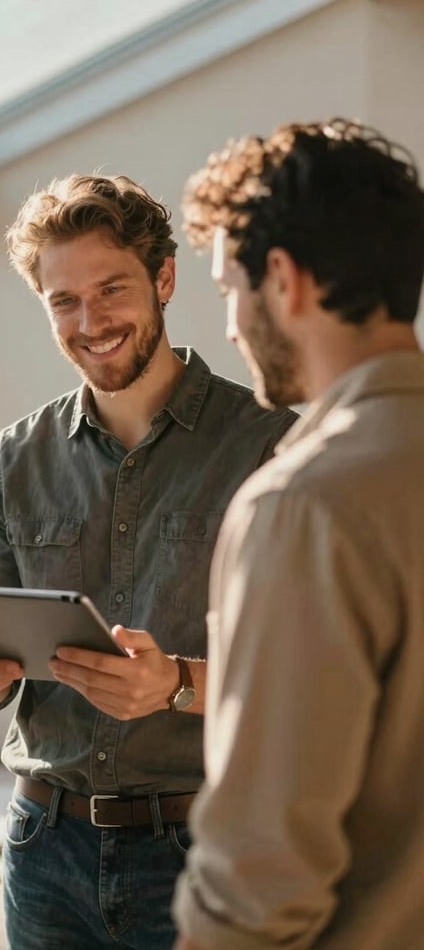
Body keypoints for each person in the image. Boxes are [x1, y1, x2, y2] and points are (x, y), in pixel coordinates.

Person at [0, 174, 297, 949]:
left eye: (111, 288)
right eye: (63, 300)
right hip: (41, 847)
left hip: (204, 845)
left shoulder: (269, 444)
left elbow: (313, 671)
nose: (90, 321)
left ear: (163, 278)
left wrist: (175, 683)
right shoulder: (14, 460)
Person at [173, 119, 424, 950]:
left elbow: (260, 874)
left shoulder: (305, 504)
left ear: (285, 280)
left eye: (226, 293)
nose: (231, 329)